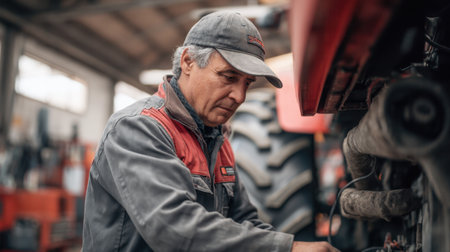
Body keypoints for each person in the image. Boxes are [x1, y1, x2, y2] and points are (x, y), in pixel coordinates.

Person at [82, 11, 339, 252]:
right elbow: (174, 229)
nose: (239, 96)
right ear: (188, 62)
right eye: (228, 77)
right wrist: (285, 248)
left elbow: (244, 220)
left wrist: (292, 244)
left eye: (247, 83)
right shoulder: (138, 128)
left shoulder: (216, 138)